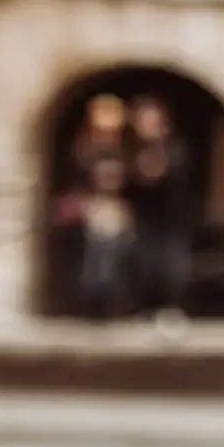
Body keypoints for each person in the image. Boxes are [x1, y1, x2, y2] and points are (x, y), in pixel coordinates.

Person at [62, 94, 134, 321]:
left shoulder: (126, 150)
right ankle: (88, 306)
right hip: (91, 211)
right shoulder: (82, 149)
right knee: (91, 263)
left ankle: (113, 306)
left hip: (116, 211)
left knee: (114, 260)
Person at [123, 95, 193, 320]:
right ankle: (141, 307)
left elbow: (169, 174)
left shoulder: (174, 147)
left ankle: (169, 308)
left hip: (171, 217)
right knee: (141, 262)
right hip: (141, 217)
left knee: (170, 264)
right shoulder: (129, 149)